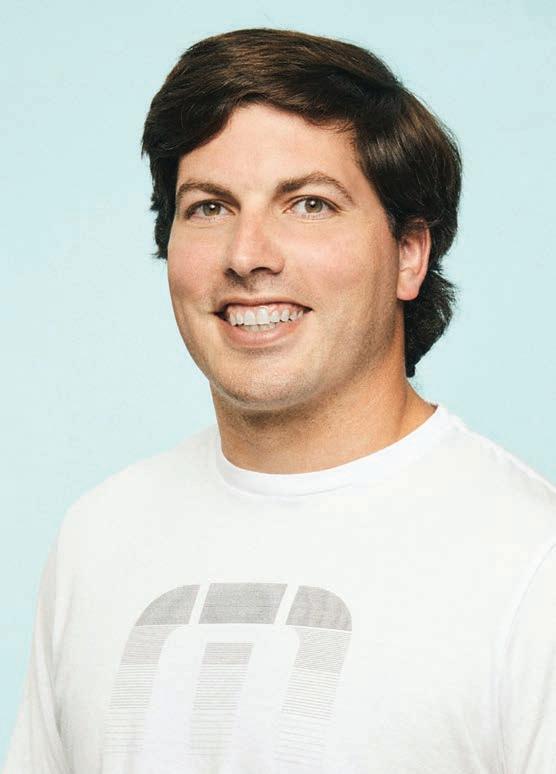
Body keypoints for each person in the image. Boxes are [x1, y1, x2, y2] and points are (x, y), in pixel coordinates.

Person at [3, 26, 555, 774]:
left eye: (309, 204)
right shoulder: (96, 539)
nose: (248, 255)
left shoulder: (531, 562)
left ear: (409, 253)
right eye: (209, 207)